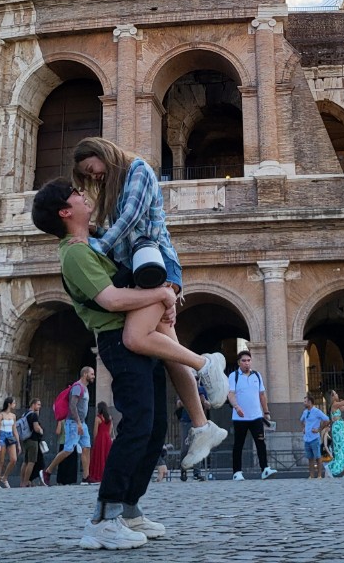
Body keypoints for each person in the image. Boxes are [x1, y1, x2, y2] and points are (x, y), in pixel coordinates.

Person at [32, 178, 174, 549]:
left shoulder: (90, 243)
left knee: (155, 426)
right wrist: (160, 293)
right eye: (76, 195)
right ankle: (103, 518)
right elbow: (111, 300)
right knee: (137, 426)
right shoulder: (75, 253)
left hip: (137, 341)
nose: (83, 195)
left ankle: (129, 509)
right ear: (66, 212)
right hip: (120, 343)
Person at [72, 137, 230, 468]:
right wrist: (89, 236)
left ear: (102, 155)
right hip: (140, 273)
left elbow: (130, 218)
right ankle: (203, 426)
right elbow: (118, 233)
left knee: (135, 337)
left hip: (155, 267)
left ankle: (207, 365)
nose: (94, 177)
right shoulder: (116, 186)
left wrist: (96, 247)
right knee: (168, 352)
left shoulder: (138, 170)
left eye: (92, 169)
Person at [227, 350, 277, 481]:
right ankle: (237, 472)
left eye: (248, 360)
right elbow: (230, 394)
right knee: (239, 444)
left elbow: (262, 395)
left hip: (256, 416)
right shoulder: (233, 376)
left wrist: (266, 412)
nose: (246, 363)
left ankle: (265, 469)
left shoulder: (257, 375)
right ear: (239, 363)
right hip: (240, 418)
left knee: (261, 443)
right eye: (243, 361)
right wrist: (236, 407)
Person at [41, 367, 95, 486]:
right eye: (91, 374)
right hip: (73, 423)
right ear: (85, 374)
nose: (93, 376)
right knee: (68, 449)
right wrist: (78, 423)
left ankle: (86, 477)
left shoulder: (85, 388)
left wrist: (82, 423)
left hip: (82, 423)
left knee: (86, 448)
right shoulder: (77, 387)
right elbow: (72, 406)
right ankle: (48, 471)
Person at [299, 393, 330, 479]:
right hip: (307, 438)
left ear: (310, 402)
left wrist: (319, 429)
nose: (304, 403)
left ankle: (319, 475)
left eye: (305, 401)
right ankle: (311, 475)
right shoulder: (305, 412)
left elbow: (327, 419)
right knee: (310, 458)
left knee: (317, 456)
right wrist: (303, 428)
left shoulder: (317, 411)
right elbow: (301, 420)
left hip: (314, 438)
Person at [0, 396, 20, 488]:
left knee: (14, 459)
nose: (15, 405)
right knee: (1, 460)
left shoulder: (13, 416)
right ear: (9, 404)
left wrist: (18, 443)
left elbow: (14, 429)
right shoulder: (0, 415)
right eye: (14, 403)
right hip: (2, 435)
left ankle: (4, 477)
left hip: (10, 435)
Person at [19, 401, 46, 488]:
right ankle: (26, 482)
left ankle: (22, 481)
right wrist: (41, 430)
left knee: (25, 461)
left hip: (26, 439)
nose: (39, 406)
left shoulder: (25, 414)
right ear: (33, 404)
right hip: (33, 440)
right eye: (38, 404)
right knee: (31, 462)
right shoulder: (33, 415)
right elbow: (36, 428)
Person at [88, 401, 115, 484]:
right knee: (107, 457)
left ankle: (98, 474)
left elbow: (95, 432)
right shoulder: (109, 418)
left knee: (99, 457)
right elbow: (110, 431)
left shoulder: (98, 418)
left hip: (100, 439)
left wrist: (95, 440)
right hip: (107, 438)